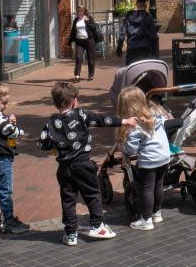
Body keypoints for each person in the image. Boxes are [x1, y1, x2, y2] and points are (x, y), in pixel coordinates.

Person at [37, 81, 132, 246]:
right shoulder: (80, 114)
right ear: (74, 100)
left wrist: (55, 144)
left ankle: (71, 233)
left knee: (68, 199)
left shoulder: (50, 123)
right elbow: (102, 120)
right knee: (92, 194)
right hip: (83, 164)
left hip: (64, 168)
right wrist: (124, 121)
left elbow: (43, 144)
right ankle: (97, 225)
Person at [118, 86, 173, 231]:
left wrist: (122, 149)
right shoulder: (155, 114)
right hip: (164, 156)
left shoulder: (134, 126)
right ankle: (157, 212)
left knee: (147, 188)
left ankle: (146, 219)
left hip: (149, 160)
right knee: (159, 185)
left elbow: (131, 149)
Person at [0, 81, 29, 235]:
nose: (6, 104)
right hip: (3, 159)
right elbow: (11, 132)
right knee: (5, 191)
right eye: (4, 102)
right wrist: (19, 130)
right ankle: (9, 221)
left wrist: (9, 121)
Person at [118, 0, 159, 66]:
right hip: (145, 49)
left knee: (131, 72)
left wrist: (119, 47)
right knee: (145, 71)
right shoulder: (148, 16)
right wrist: (154, 50)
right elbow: (153, 35)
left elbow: (122, 33)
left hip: (131, 49)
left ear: (137, 3)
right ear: (146, 4)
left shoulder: (128, 15)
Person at [67, 6, 98, 82]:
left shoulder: (89, 18)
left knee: (91, 58)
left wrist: (88, 22)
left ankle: (91, 75)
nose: (78, 12)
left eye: (80, 11)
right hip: (79, 41)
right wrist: (70, 41)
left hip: (89, 41)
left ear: (84, 11)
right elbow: (73, 31)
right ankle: (77, 76)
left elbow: (94, 28)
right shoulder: (76, 20)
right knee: (78, 57)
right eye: (77, 11)